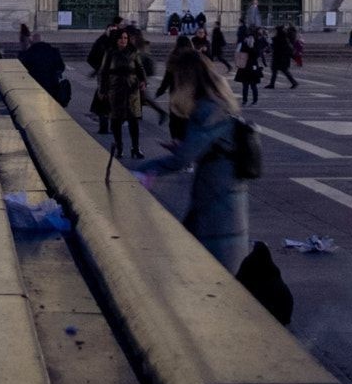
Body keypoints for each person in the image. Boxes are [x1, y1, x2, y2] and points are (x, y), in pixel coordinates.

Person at [133, 52, 249, 272]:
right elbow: (207, 146)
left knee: (215, 267)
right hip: (218, 192)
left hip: (219, 199)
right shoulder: (217, 102)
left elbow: (182, 160)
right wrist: (185, 147)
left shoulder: (208, 108)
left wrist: (143, 171)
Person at [98, 28, 159, 160]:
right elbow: (103, 72)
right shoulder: (110, 53)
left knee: (133, 119)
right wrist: (102, 90)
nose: (123, 40)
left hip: (132, 89)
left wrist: (143, 80)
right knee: (116, 120)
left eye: (125, 38)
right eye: (121, 38)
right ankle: (119, 147)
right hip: (115, 88)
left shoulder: (133, 52)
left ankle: (135, 148)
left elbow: (140, 68)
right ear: (116, 39)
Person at [237, 241, 294, 325]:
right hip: (284, 315)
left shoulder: (250, 263)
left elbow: (240, 279)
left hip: (271, 316)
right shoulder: (272, 269)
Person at [20, 32, 71, 107]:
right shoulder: (53, 51)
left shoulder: (28, 53)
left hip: (34, 87)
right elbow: (61, 67)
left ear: (31, 42)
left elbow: (21, 68)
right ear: (42, 40)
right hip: (52, 86)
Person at [234, 37, 263, 107]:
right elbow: (240, 53)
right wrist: (247, 45)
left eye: (251, 39)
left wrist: (251, 46)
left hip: (252, 68)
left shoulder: (255, 46)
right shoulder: (244, 46)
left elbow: (257, 55)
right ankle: (245, 100)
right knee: (245, 86)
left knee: (253, 86)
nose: (250, 40)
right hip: (245, 68)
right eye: (249, 39)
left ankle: (254, 100)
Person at [268, 25, 299, 90]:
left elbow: (275, 47)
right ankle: (272, 84)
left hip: (280, 58)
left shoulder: (278, 39)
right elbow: (289, 49)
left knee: (281, 71)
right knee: (277, 71)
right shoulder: (284, 38)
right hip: (282, 58)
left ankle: (294, 82)